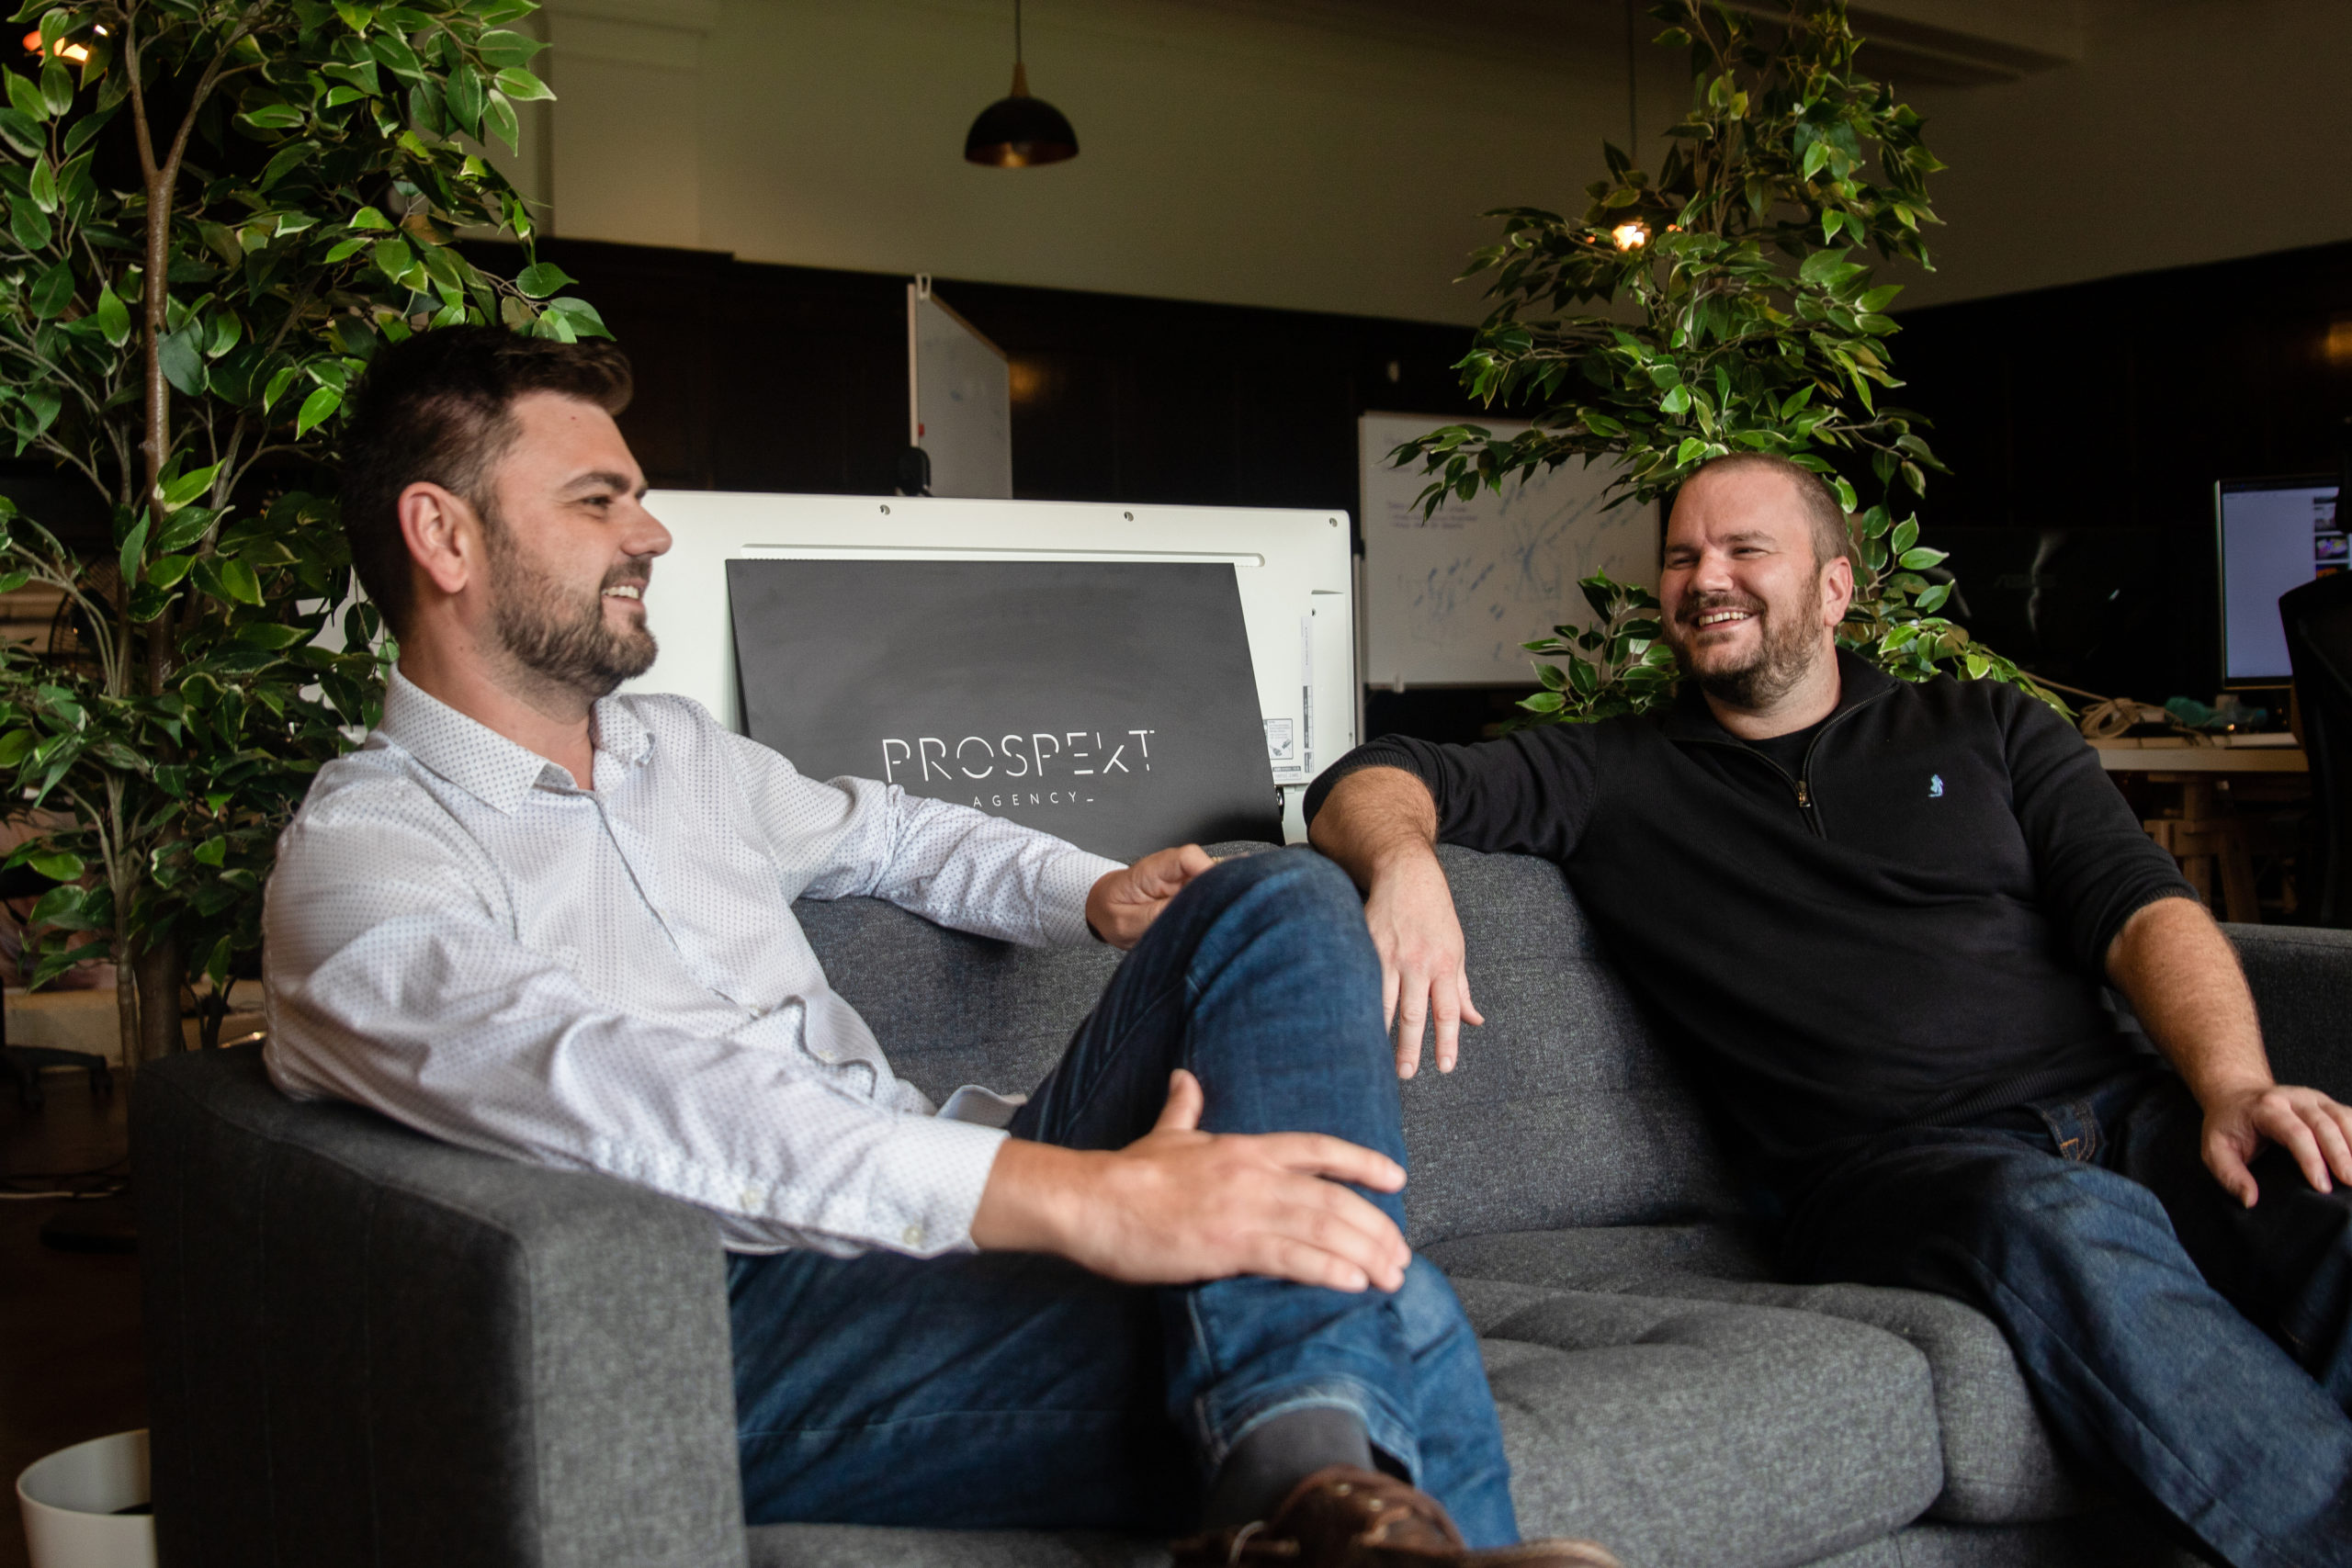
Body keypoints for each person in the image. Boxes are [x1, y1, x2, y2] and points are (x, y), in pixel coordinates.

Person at [260, 326, 1616, 1568]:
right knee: (1390, 1299)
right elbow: (612, 1078)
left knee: (1275, 898)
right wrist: (1076, 1197)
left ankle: (1299, 1500)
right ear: (441, 534)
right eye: (598, 500)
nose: (653, 531)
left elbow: (894, 832)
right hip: (722, 1312)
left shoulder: (682, 753)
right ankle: (1316, 1494)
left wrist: (1099, 894)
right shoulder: (367, 861)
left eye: (639, 494)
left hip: (932, 1241)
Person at [1306, 451, 2352, 1568]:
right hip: (1897, 1171)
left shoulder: (1986, 729)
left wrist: (2233, 1085)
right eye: (1681, 557)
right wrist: (1407, 866)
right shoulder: (1612, 777)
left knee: (2320, 1199)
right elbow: (1365, 779)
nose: (1706, 578)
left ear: (1837, 588)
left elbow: (2142, 911)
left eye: (1745, 550)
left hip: (2121, 1112)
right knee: (2046, 1219)